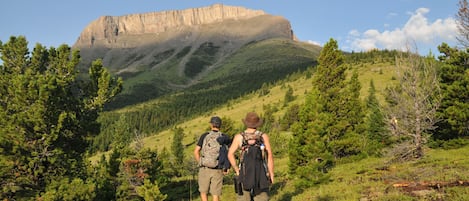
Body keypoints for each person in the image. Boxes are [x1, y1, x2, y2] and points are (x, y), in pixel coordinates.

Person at [228, 112, 274, 201]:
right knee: (262, 198)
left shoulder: (239, 137)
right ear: (257, 124)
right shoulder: (263, 136)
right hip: (261, 174)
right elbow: (270, 155)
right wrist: (271, 173)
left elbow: (230, 154)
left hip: (244, 173)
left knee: (244, 198)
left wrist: (237, 170)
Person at [194, 116, 231, 201]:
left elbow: (196, 151)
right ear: (220, 125)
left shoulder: (205, 136)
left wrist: (200, 162)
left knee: (203, 192)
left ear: (211, 125)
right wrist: (227, 167)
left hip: (204, 167)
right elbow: (229, 153)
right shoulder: (224, 137)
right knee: (215, 194)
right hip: (217, 168)